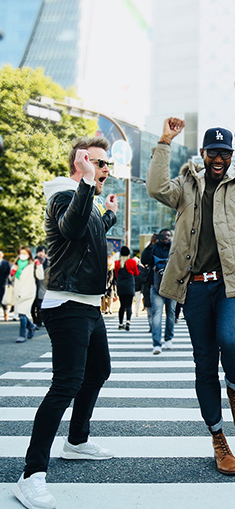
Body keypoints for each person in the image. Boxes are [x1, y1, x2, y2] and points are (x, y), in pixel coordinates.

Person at [146, 77, 235, 476]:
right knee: (203, 363)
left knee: (231, 338)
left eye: (225, 152)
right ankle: (218, 439)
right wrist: (164, 142)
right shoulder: (186, 184)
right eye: (213, 152)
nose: (219, 158)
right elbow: (156, 187)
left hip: (231, 282)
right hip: (193, 286)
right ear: (204, 152)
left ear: (230, 154)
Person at [13, 137, 117, 509]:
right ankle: (30, 475)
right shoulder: (63, 191)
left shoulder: (84, 197)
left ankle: (76, 441)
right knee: (66, 384)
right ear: (82, 162)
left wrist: (107, 215)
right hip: (67, 302)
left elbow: (87, 238)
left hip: (87, 303)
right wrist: (88, 183)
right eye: (102, 164)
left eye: (108, 167)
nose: (107, 171)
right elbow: (70, 230)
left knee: (98, 371)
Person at [141, 229, 175, 354]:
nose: (166, 237)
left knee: (171, 314)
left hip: (172, 285)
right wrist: (150, 244)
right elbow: (144, 260)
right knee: (157, 315)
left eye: (169, 235)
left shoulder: (175, 247)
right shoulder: (154, 247)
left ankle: (168, 338)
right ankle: (157, 343)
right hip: (156, 285)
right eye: (163, 235)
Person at [11, 247, 43, 343]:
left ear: (29, 254)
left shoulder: (33, 264)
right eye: (21, 253)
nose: (22, 255)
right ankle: (31, 326)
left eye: (25, 253)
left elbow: (40, 276)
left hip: (28, 292)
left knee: (22, 314)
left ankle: (22, 335)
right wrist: (13, 272)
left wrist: (39, 265)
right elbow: (11, 278)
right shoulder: (16, 264)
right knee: (21, 313)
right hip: (18, 292)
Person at [115, 246, 139, 331]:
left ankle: (120, 323)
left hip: (121, 285)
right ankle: (128, 321)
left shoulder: (117, 263)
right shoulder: (132, 262)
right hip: (129, 285)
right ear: (129, 254)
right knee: (129, 305)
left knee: (122, 305)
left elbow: (116, 274)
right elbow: (136, 273)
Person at [31, 246, 49, 328]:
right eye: (39, 251)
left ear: (45, 254)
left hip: (43, 286)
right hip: (33, 285)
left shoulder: (48, 263)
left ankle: (39, 321)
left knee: (39, 306)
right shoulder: (32, 262)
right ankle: (35, 321)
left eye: (42, 252)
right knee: (32, 305)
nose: (40, 253)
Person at [0, 250, 11, 321]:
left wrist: (9, 283)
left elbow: (9, 273)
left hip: (3, 283)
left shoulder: (6, 263)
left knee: (3, 299)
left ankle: (5, 311)